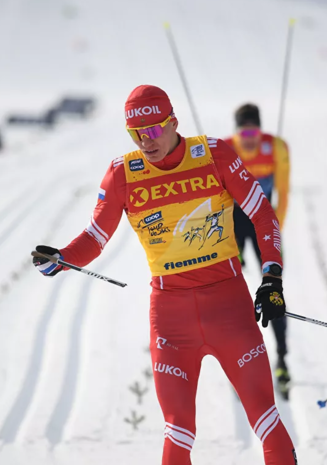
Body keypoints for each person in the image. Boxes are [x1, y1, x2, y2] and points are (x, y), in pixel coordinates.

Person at [32, 85, 297, 465]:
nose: (146, 141)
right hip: (172, 320)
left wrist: (272, 277)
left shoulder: (215, 153)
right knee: (178, 430)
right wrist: (61, 257)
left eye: (154, 130)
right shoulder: (122, 173)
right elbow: (95, 236)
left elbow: (262, 214)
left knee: (265, 418)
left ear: (173, 123)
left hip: (229, 307)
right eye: (136, 134)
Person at [224, 104, 292, 399]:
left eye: (254, 132)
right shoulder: (225, 149)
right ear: (237, 133)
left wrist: (275, 235)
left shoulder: (276, 147)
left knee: (273, 290)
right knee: (229, 292)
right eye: (244, 133)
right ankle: (239, 359)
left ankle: (281, 358)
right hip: (234, 223)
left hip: (263, 221)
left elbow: (284, 192)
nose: (250, 139)